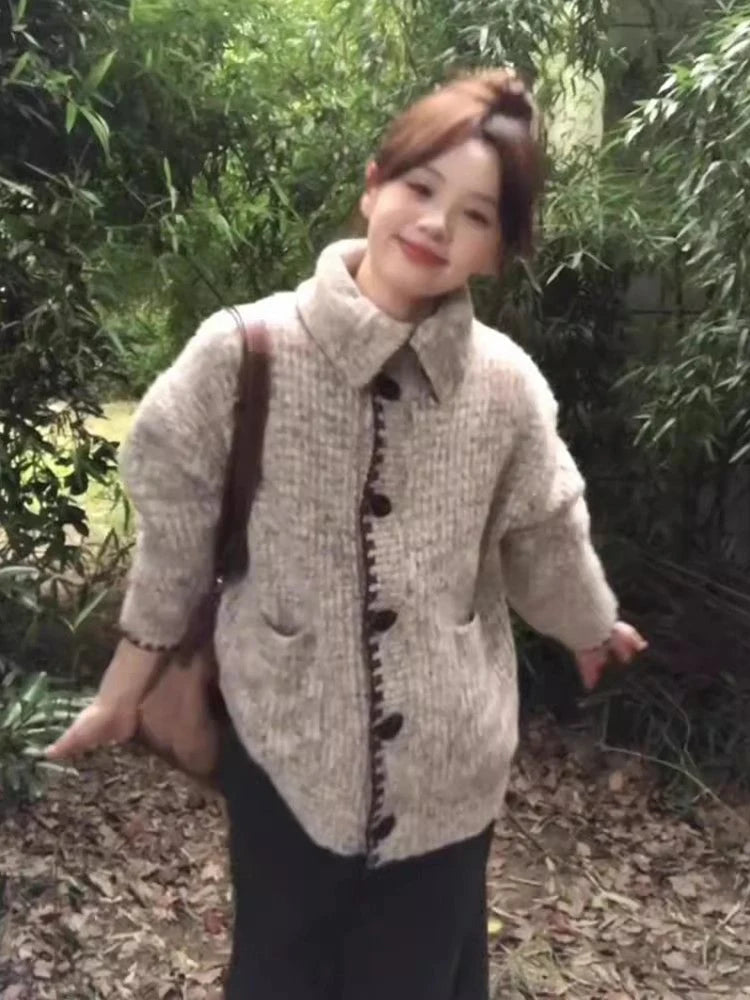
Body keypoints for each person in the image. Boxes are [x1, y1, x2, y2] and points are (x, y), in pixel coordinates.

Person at [47, 68, 647, 999]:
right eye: (420, 187)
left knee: (417, 974)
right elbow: (174, 542)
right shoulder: (243, 351)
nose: (437, 224)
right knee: (279, 971)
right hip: (284, 749)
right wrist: (124, 693)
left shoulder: (506, 388)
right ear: (373, 186)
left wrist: (589, 624)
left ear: (498, 252)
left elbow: (544, 533)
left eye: (476, 215)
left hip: (451, 768)